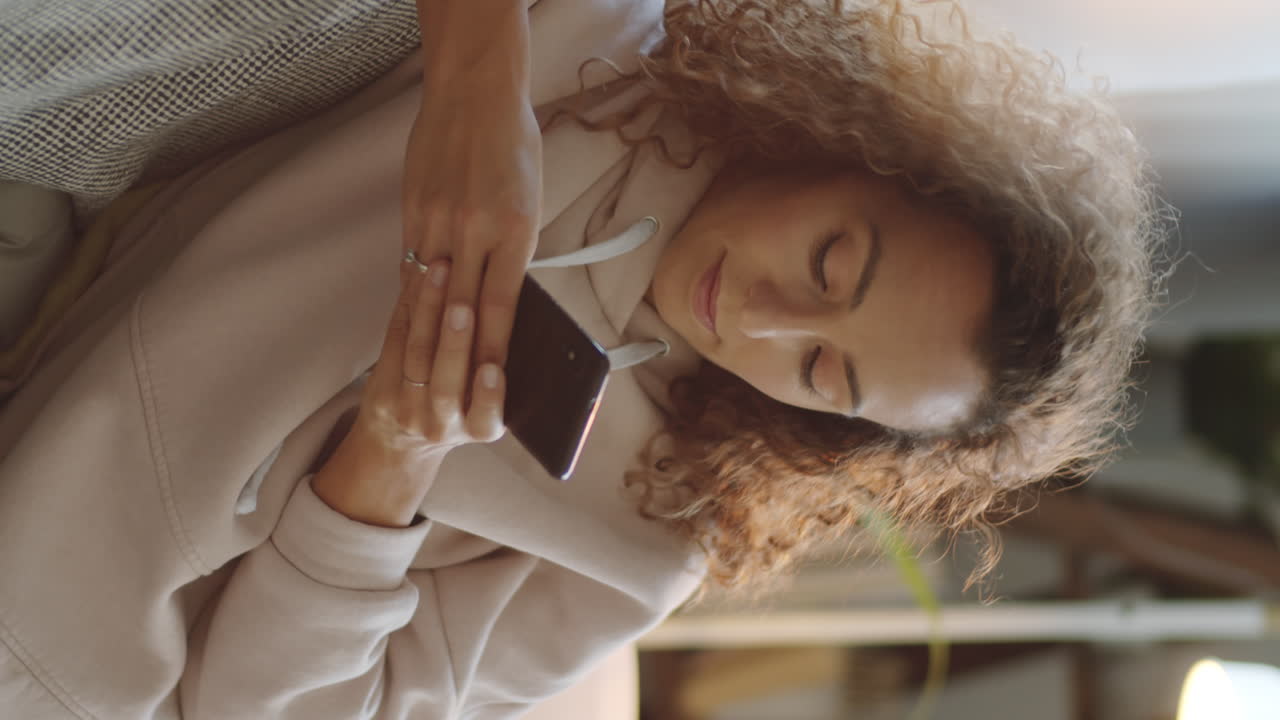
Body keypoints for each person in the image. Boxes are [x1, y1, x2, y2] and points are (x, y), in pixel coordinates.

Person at [0, 0, 1161, 718]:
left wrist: (377, 484)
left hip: (50, 643)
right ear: (858, 147)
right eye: (826, 264)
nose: (757, 321)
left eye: (819, 373)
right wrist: (475, 89)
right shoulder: (601, 49)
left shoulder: (640, 546)